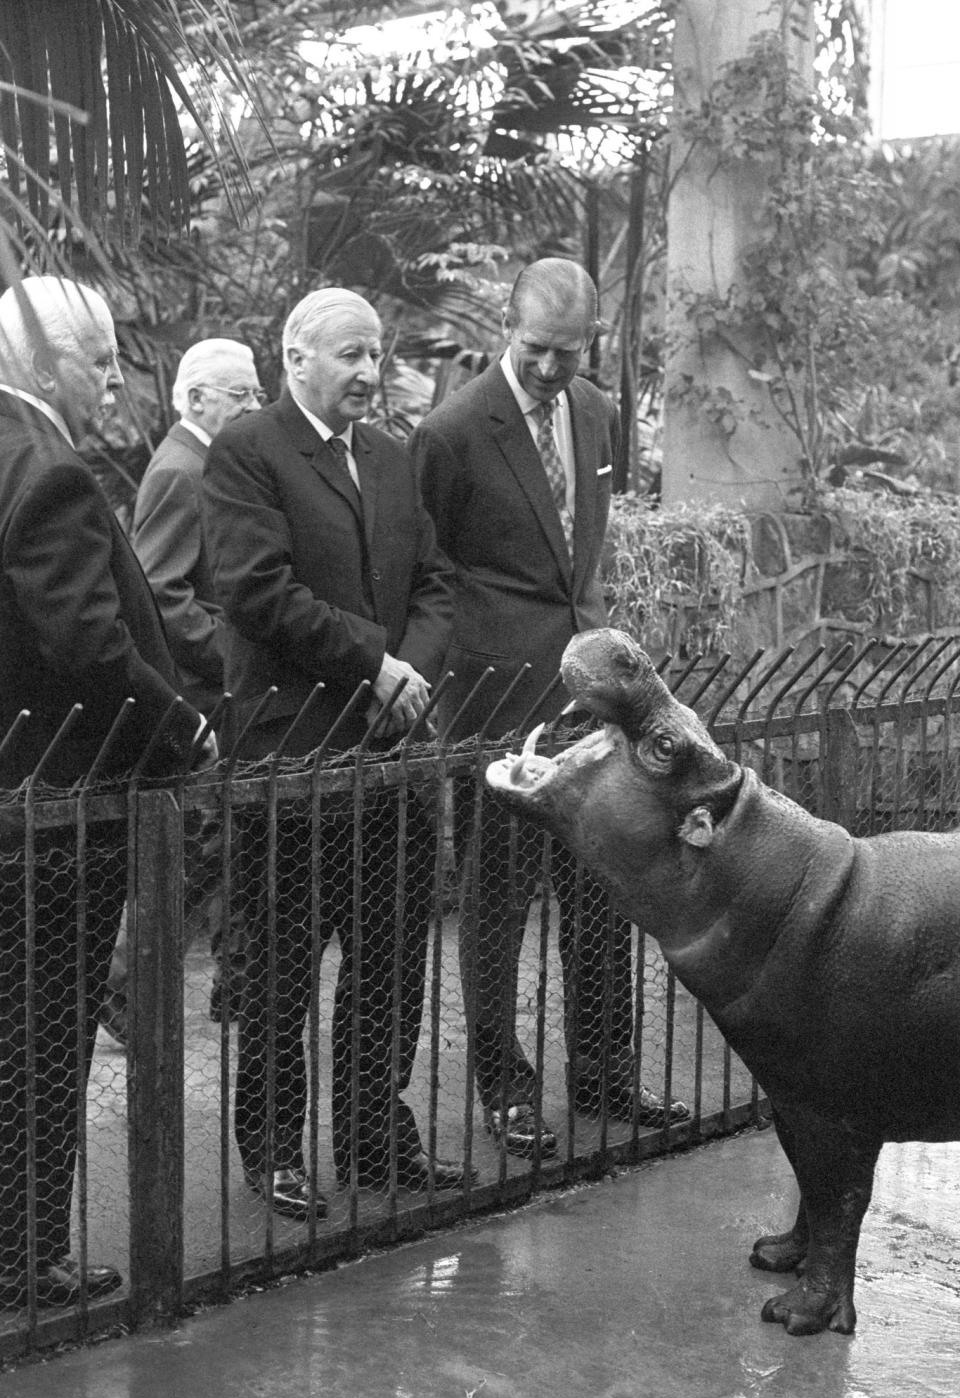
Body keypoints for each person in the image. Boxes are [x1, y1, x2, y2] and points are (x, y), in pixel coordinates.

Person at [410, 257, 689, 1158]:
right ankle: (507, 1089)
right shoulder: (453, 430)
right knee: (496, 901)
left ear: (590, 342)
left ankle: (606, 1073)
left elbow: (583, 555)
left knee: (606, 885)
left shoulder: (599, 411)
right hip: (494, 701)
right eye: (535, 350)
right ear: (508, 328)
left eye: (566, 354)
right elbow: (430, 571)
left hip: (590, 698)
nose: (547, 370)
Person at [201, 286, 471, 1220]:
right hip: (293, 761)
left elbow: (437, 583)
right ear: (297, 357)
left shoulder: (392, 461)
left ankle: (371, 1133)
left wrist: (413, 676)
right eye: (350, 354)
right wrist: (377, 662)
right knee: (281, 972)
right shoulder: (248, 451)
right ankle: (273, 1148)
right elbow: (253, 589)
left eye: (376, 354)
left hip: (390, 753)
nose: (367, 371)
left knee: (390, 960)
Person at [0, 275, 213, 1308]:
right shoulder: (45, 468)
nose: (115, 380)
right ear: (44, 362)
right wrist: (179, 724)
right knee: (41, 1035)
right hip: (54, 806)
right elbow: (88, 640)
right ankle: (20, 1257)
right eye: (99, 358)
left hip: (18, 792)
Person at [99, 338, 265, 1039]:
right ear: (197, 399)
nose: (257, 405)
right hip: (199, 692)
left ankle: (236, 982)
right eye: (243, 394)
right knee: (200, 851)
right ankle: (121, 990)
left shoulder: (208, 463)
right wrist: (237, 657)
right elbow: (162, 593)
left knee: (230, 841)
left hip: (216, 690)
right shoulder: (178, 470)